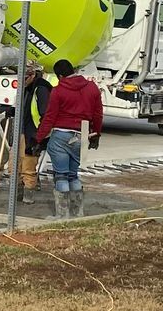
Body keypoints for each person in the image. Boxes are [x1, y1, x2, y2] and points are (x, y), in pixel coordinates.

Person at [35, 58, 103, 218]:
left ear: (59, 76)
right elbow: (98, 114)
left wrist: (38, 138)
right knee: (73, 174)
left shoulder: (58, 91)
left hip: (60, 136)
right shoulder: (92, 88)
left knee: (61, 175)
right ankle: (77, 213)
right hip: (82, 135)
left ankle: (62, 216)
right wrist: (96, 134)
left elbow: (50, 117)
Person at [15, 62, 53, 196]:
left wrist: (38, 137)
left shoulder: (41, 89)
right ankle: (18, 193)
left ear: (32, 75)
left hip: (33, 133)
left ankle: (28, 194)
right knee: (15, 165)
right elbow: (26, 107)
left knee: (28, 166)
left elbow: (45, 113)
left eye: (24, 78)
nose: (22, 82)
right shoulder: (27, 88)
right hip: (23, 131)